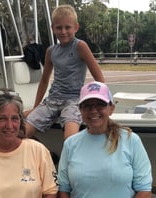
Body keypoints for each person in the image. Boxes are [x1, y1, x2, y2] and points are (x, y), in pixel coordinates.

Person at [57, 81, 153, 198]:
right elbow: (63, 190)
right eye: (87, 106)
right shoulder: (70, 144)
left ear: (111, 108)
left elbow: (144, 190)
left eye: (100, 105)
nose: (93, 110)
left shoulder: (130, 140)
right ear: (80, 110)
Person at [24, 4, 105, 140]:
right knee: (22, 132)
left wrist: (97, 105)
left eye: (67, 27)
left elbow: (99, 79)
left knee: (70, 138)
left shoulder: (80, 46)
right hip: (52, 100)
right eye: (59, 27)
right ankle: (44, 153)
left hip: (74, 101)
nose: (63, 31)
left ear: (76, 27)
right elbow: (44, 81)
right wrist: (35, 107)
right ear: (53, 28)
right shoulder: (51, 51)